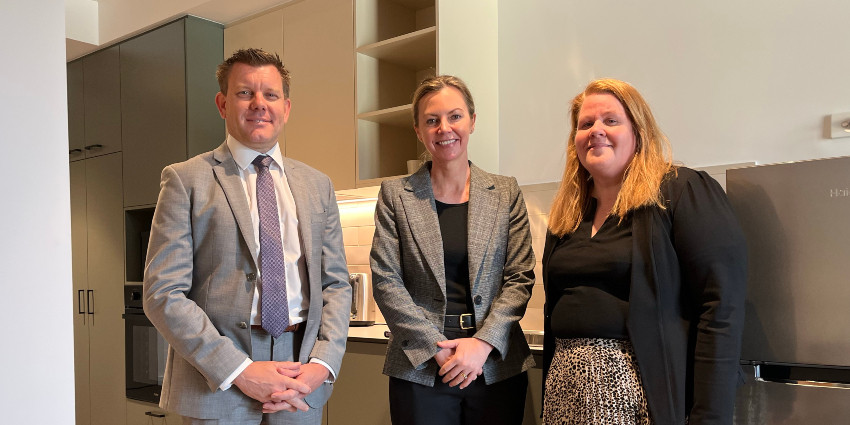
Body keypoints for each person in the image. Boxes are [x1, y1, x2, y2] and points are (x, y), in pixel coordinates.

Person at [143, 48, 351, 425]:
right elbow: (163, 294)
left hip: (301, 372)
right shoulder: (185, 179)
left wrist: (322, 362)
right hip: (218, 374)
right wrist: (239, 369)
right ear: (223, 104)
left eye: (270, 95)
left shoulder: (317, 185)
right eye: (245, 93)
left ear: (286, 108)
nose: (259, 104)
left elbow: (336, 284)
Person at [541, 78, 747, 424]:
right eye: (585, 124)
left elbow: (720, 309)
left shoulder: (680, 192)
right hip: (564, 391)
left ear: (638, 131)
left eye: (611, 120)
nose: (596, 131)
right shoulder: (568, 211)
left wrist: (709, 416)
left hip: (640, 395)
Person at [370, 75, 536, 425]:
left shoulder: (506, 193)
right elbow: (386, 280)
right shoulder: (395, 195)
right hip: (421, 364)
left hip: (494, 363)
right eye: (432, 120)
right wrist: (435, 348)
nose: (444, 128)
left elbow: (519, 277)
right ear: (418, 129)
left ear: (472, 121)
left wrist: (482, 344)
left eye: (455, 116)